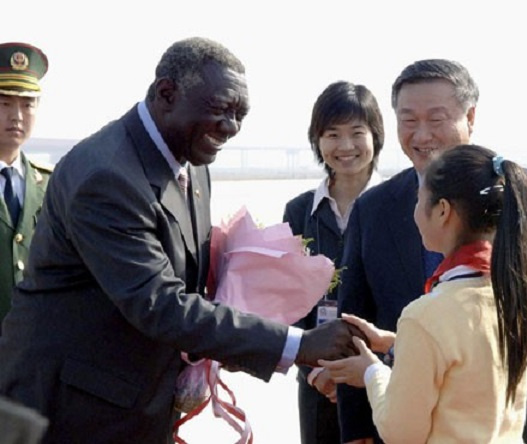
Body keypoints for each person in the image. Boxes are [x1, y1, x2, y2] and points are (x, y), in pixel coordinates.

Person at [0, 37, 365, 444]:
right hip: (71, 410)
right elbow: (158, 303)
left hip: (136, 399)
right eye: (220, 110)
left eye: (239, 114)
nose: (230, 128)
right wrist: (297, 343)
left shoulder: (190, 158)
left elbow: (192, 283)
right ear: (167, 94)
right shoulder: (106, 176)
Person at [336, 59, 527, 444]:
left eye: (436, 119)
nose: (421, 135)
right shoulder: (373, 208)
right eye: (408, 119)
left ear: (470, 116)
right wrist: (356, 430)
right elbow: (356, 321)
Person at [321, 144, 527, 443]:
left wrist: (371, 373)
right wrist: (396, 343)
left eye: (419, 200)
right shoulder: (514, 298)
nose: (415, 211)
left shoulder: (425, 317)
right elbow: (470, 364)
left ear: (442, 210)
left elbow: (401, 432)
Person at [283, 80, 384, 444]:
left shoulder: (404, 204)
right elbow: (288, 299)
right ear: (317, 140)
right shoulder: (299, 211)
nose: (345, 146)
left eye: (357, 133)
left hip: (384, 375)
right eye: (331, 134)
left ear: (376, 135)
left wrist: (376, 367)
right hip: (317, 379)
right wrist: (314, 371)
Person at [0, 42, 52, 333]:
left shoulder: (52, 185)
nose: (17, 115)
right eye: (4, 103)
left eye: (27, 103)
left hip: (32, 353)